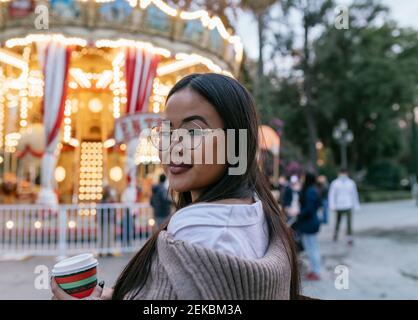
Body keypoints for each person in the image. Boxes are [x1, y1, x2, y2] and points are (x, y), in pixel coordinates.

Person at [51, 73, 301, 300]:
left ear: (236, 142)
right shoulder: (255, 210)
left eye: (193, 131)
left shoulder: (203, 231)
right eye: (167, 131)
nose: (174, 145)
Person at [294, 172, 322, 281]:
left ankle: (316, 271)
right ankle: (314, 270)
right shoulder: (313, 190)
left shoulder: (310, 191)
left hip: (309, 223)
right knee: (312, 247)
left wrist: (299, 215)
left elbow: (309, 209)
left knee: (312, 248)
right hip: (310, 222)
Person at [328, 168, 360, 245]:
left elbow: (354, 194)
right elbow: (331, 195)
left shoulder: (351, 183)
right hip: (339, 205)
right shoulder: (335, 183)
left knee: (349, 222)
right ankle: (335, 234)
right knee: (338, 222)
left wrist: (356, 205)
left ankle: (349, 238)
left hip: (348, 205)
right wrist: (332, 205)